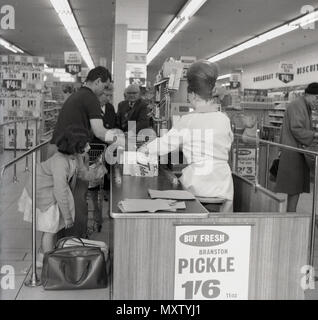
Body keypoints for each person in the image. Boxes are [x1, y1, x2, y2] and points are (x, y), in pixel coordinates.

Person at [138, 60, 234, 212]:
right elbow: (226, 142)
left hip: (199, 185)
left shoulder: (188, 121)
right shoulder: (224, 118)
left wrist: (143, 149)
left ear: (193, 94)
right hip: (224, 185)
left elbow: (164, 145)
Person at [49, 66, 123, 238]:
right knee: (77, 200)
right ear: (97, 81)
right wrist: (121, 140)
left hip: (64, 151)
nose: (105, 91)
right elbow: (99, 131)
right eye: (105, 87)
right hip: (68, 155)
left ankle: (66, 241)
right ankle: (74, 245)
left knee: (69, 199)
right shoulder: (90, 98)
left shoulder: (78, 95)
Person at [18, 126, 107, 266]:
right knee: (50, 230)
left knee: (50, 228)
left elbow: (82, 174)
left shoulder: (75, 157)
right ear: (75, 146)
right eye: (86, 144)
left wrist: (98, 172)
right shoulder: (60, 162)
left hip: (51, 190)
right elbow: (60, 191)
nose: (89, 147)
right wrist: (67, 217)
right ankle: (49, 265)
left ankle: (42, 259)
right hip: (42, 192)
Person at [275, 82, 318, 212]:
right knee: (294, 186)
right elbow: (296, 129)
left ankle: (291, 214)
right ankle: (291, 215)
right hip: (292, 151)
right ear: (308, 95)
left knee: (296, 187)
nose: (317, 102)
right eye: (317, 98)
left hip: (296, 149)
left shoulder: (303, 105)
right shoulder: (297, 105)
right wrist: (315, 134)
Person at [89, 87, 118, 232]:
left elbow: (114, 125)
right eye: (104, 95)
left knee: (108, 180)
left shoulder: (111, 108)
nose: (106, 97)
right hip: (93, 151)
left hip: (109, 150)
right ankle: (96, 213)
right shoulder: (92, 109)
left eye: (108, 95)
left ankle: (108, 208)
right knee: (93, 183)